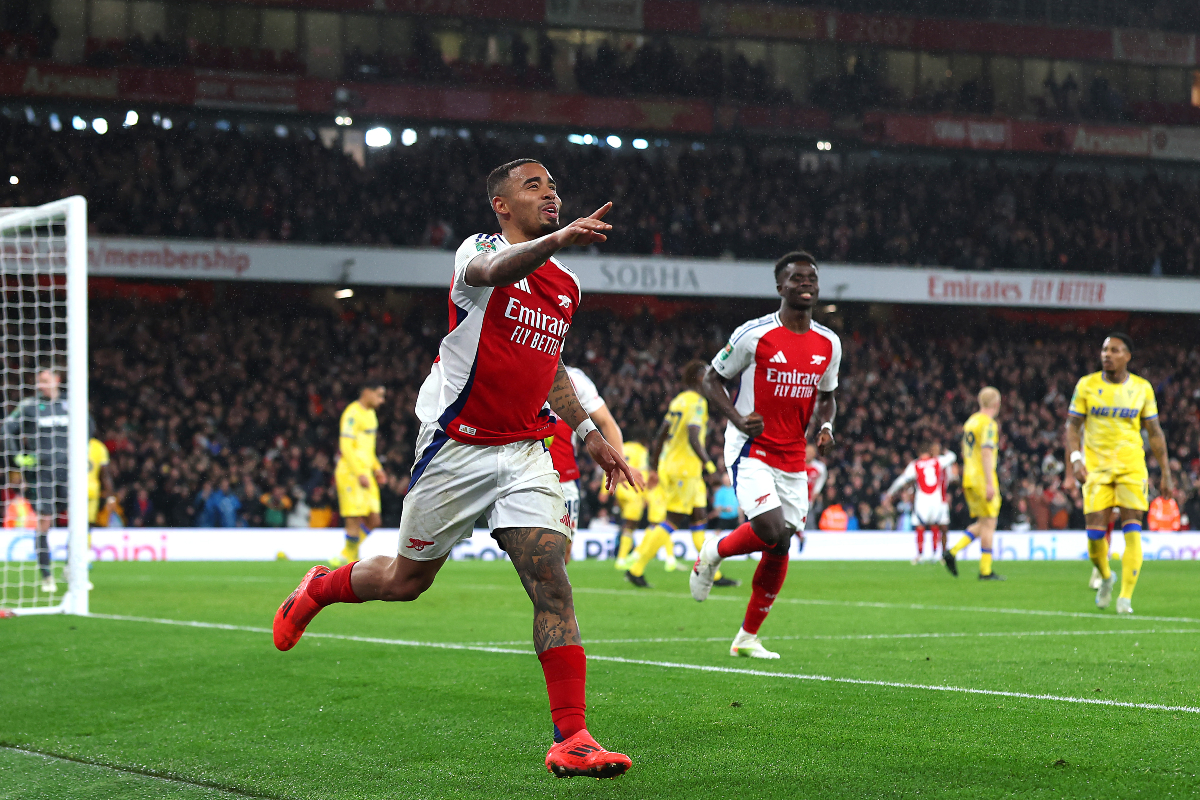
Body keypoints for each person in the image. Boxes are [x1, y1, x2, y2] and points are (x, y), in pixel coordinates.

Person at [272, 158, 640, 778]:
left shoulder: (565, 288)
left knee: (550, 577)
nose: (549, 194)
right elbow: (493, 271)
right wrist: (558, 239)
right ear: (500, 204)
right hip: (457, 447)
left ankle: (572, 737)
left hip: (524, 448)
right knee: (406, 581)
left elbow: (549, 366)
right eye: (533, 186)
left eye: (552, 186)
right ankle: (319, 588)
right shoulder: (479, 252)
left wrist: (587, 432)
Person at [693, 251, 840, 659]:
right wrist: (738, 419)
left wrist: (826, 426)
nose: (805, 283)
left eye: (811, 276)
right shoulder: (753, 335)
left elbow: (828, 397)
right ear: (780, 287)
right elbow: (711, 379)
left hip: (793, 454)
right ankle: (713, 553)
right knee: (772, 528)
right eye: (796, 278)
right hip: (751, 447)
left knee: (781, 543)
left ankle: (747, 637)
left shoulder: (829, 343)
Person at [1064, 333, 1171, 614]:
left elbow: (1155, 432)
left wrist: (1166, 472)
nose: (1106, 354)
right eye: (1104, 349)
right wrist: (1075, 459)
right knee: (1095, 536)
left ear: (1127, 356)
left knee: (1132, 530)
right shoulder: (1086, 385)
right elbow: (1073, 426)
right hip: (1096, 469)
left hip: (1131, 468)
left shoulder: (1142, 388)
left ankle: (1125, 598)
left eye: (1114, 350)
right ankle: (1106, 576)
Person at [628, 360, 739, 588]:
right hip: (685, 470)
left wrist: (655, 466)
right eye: (707, 374)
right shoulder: (697, 402)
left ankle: (712, 575)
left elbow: (661, 434)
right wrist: (710, 468)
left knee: (699, 519)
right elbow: (693, 436)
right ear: (699, 378)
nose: (711, 379)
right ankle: (635, 568)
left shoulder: (679, 400)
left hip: (680, 469)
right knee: (673, 520)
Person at [4, 369, 74, 593]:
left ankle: (71, 568)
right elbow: (7, 427)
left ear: (57, 380)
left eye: (45, 380)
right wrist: (17, 456)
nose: (40, 385)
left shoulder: (70, 404)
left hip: (69, 470)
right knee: (45, 521)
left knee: (77, 519)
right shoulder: (29, 406)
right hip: (43, 472)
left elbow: (89, 427)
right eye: (38, 381)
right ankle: (46, 576)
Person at [546, 365, 622, 542]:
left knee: (564, 548)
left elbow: (607, 423)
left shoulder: (575, 380)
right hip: (526, 474)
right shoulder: (522, 373)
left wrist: (621, 463)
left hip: (564, 478)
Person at [944, 387, 1004, 581]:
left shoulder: (971, 422)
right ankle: (985, 571)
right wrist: (989, 482)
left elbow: (965, 451)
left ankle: (952, 552)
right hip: (981, 477)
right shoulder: (988, 424)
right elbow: (986, 452)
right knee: (989, 523)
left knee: (982, 523)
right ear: (997, 404)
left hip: (969, 476)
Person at [330, 384, 388, 566]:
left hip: (366, 472)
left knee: (374, 519)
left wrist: (377, 468)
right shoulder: (352, 413)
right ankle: (350, 561)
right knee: (353, 519)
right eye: (379, 395)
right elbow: (346, 447)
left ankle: (345, 554)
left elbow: (367, 449)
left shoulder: (371, 415)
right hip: (350, 473)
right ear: (366, 392)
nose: (382, 401)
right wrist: (359, 473)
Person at [884, 442, 957, 565]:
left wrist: (890, 492)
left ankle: (920, 555)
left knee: (920, 526)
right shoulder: (938, 461)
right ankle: (935, 554)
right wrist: (945, 450)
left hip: (922, 499)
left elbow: (902, 480)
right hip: (937, 499)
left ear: (918, 453)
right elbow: (952, 457)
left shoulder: (915, 464)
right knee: (936, 524)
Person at [608, 424, 664, 570]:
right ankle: (621, 559)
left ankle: (623, 555)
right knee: (630, 525)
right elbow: (643, 474)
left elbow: (611, 465)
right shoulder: (642, 451)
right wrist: (645, 495)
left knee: (626, 523)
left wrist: (606, 488)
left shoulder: (623, 447)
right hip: (633, 490)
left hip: (620, 488)